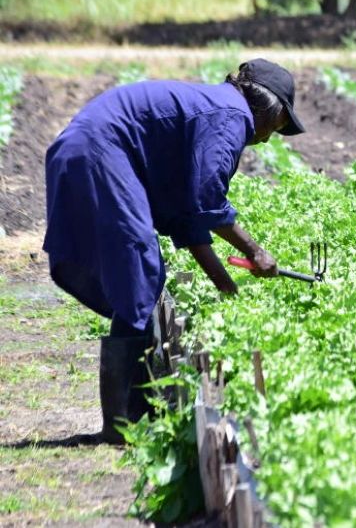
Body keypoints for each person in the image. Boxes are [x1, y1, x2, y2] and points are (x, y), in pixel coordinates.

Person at [43, 59, 305, 443]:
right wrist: (257, 251)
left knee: (142, 274)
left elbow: (189, 218)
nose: (267, 140)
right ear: (268, 107)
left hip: (91, 150)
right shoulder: (231, 116)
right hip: (98, 151)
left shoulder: (219, 109)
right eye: (278, 126)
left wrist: (225, 286)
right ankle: (121, 426)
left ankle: (133, 416)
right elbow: (207, 201)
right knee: (140, 268)